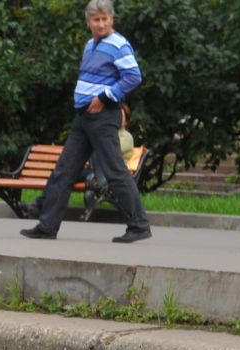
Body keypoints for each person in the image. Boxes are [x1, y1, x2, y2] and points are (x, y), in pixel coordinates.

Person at [20, 0, 152, 245]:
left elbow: (133, 76)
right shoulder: (91, 44)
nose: (100, 24)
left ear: (111, 20)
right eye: (96, 20)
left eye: (104, 19)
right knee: (65, 169)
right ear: (88, 22)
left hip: (103, 116)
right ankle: (47, 226)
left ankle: (139, 225)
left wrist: (104, 97)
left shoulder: (118, 44)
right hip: (84, 117)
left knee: (114, 171)